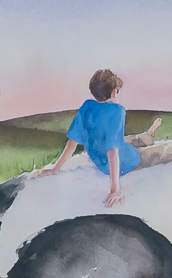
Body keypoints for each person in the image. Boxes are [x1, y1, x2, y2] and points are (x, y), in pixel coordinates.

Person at [45, 67, 139, 207]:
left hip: (103, 159)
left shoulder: (87, 106)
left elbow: (73, 142)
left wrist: (55, 168)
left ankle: (148, 135)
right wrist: (115, 190)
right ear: (114, 92)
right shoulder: (117, 111)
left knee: (130, 141)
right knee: (154, 151)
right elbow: (112, 152)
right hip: (128, 159)